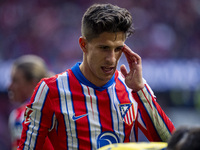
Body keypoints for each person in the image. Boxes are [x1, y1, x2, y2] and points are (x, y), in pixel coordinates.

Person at [17, 3, 175, 150]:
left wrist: (140, 90)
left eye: (118, 48)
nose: (111, 58)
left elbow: (172, 143)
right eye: (104, 48)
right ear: (83, 45)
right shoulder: (50, 90)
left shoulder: (132, 88)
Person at [8, 55, 54, 150]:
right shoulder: (60, 107)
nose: (10, 86)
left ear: (33, 83)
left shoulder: (20, 115)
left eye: (15, 81)